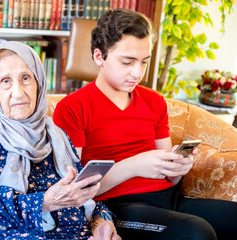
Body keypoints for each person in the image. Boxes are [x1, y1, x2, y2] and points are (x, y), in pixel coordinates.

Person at [53, 8, 237, 240]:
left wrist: (178, 168)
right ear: (99, 56)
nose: (137, 73)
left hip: (167, 198)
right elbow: (73, 190)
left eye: (144, 62)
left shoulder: (154, 101)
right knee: (196, 231)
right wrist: (133, 165)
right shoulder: (73, 107)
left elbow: (170, 176)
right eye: (127, 62)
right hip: (116, 207)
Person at [0, 41, 120, 240]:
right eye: (5, 81)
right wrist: (44, 202)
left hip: (76, 233)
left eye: (26, 78)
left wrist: (101, 220)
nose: (17, 92)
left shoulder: (57, 134)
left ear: (38, 83)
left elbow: (79, 195)